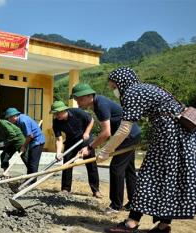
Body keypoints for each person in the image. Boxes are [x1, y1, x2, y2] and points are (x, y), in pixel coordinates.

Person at [102, 67, 196, 233]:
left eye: (113, 86)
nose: (113, 90)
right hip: (181, 137)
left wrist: (105, 151)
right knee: (170, 180)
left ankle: (131, 223)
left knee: (148, 176)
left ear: (122, 83)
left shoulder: (133, 92)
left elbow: (124, 129)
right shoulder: (145, 88)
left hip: (170, 138)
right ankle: (163, 225)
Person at [71, 83, 141, 214]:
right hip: (130, 134)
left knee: (116, 169)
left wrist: (90, 147)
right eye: (76, 99)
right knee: (129, 170)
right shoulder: (98, 103)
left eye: (79, 99)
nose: (77, 102)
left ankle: (115, 206)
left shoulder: (100, 105)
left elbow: (105, 133)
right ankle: (134, 202)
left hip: (128, 136)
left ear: (89, 96)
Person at [50, 101, 101, 198]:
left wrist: (87, 132)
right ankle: (65, 189)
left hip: (85, 140)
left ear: (64, 110)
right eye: (54, 113)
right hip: (70, 141)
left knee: (91, 165)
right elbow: (59, 138)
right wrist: (58, 153)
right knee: (67, 164)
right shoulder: (56, 121)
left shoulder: (77, 112)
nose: (56, 115)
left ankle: (96, 190)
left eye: (57, 113)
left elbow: (91, 120)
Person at [5, 107, 45, 182]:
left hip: (38, 141)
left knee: (33, 163)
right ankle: (28, 180)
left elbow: (30, 135)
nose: (9, 120)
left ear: (14, 116)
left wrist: (24, 146)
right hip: (32, 141)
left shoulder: (23, 121)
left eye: (9, 118)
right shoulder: (19, 120)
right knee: (30, 162)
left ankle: (32, 182)